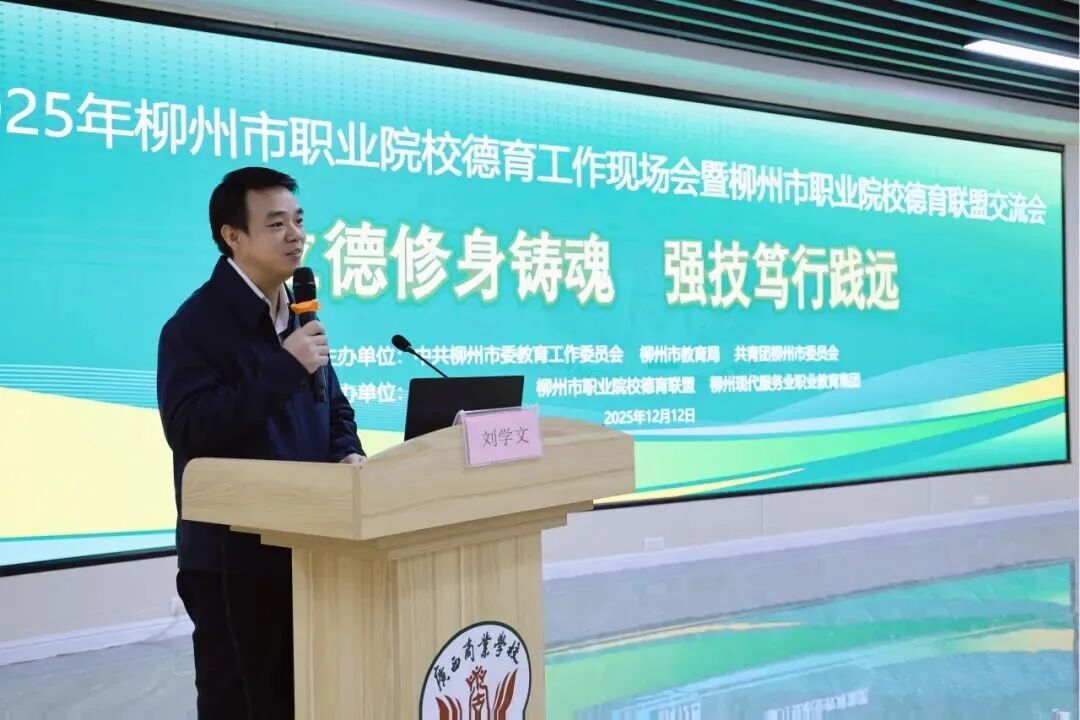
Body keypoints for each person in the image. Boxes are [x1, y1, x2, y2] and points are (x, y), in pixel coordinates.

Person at [156, 167, 365, 719]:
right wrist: (284, 367)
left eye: (298, 221)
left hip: (310, 544)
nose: (295, 235)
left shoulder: (298, 314)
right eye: (276, 224)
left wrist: (348, 452)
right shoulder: (194, 326)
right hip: (233, 561)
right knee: (243, 706)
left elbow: (333, 408)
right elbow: (190, 429)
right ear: (233, 236)